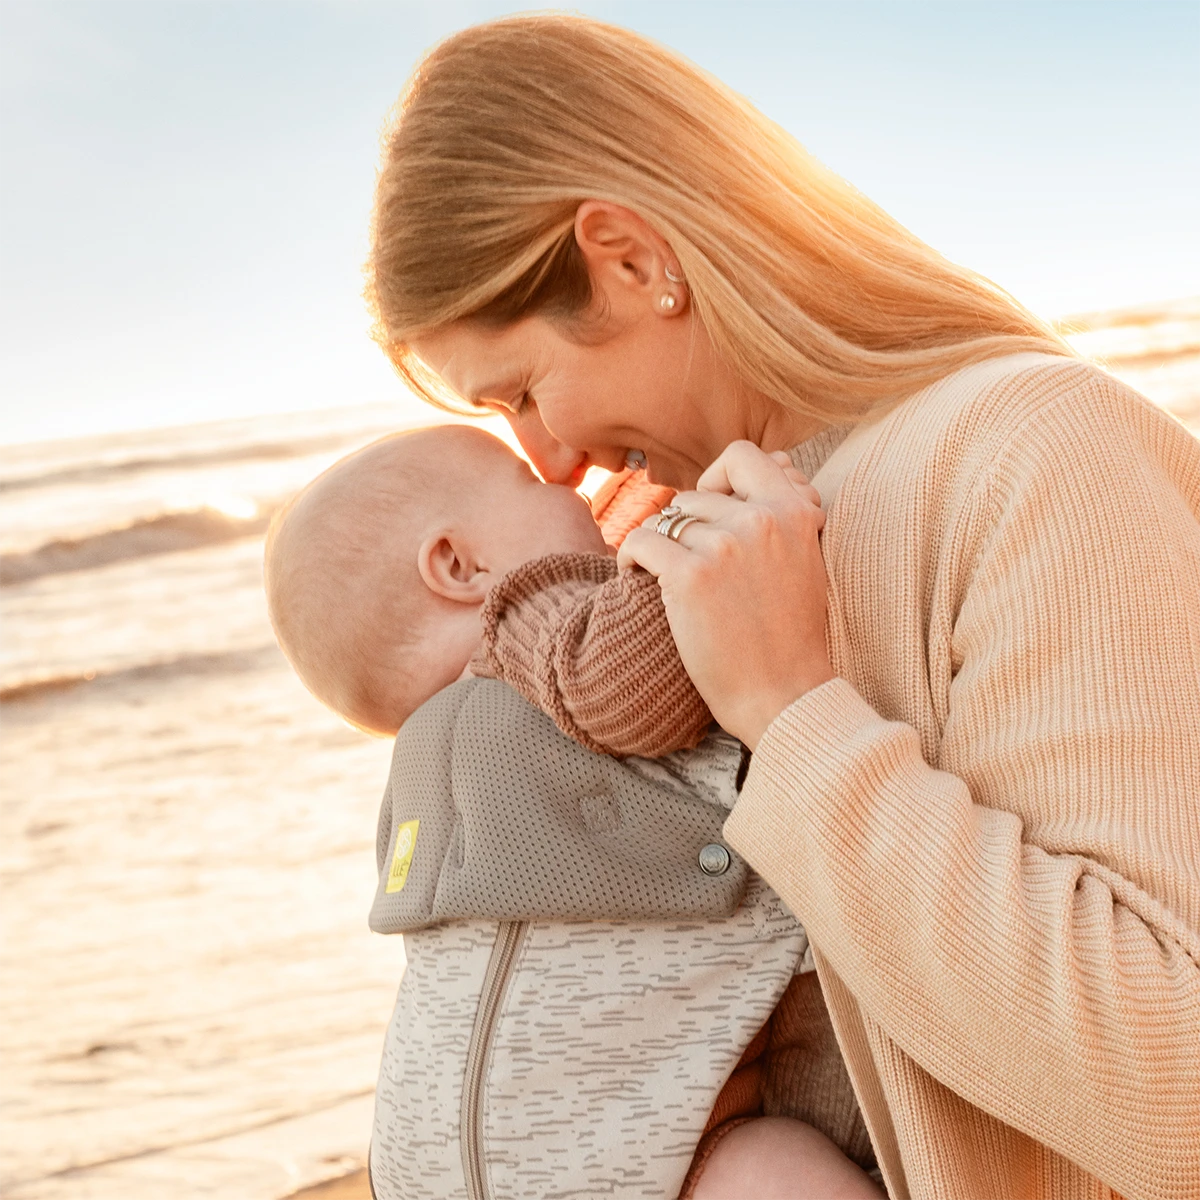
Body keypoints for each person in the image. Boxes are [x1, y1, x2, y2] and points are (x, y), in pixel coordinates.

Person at [365, 14, 1200, 1199]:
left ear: (632, 259)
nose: (547, 462)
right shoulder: (665, 567)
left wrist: (792, 709)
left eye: (525, 392)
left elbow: (1174, 1088)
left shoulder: (1034, 448)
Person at [263, 424, 882, 1197]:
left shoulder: (421, 787)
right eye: (530, 479)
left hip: (429, 1163)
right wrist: (731, 523)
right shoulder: (528, 625)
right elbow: (629, 678)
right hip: (628, 1150)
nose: (575, 484)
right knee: (776, 1171)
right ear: (461, 567)